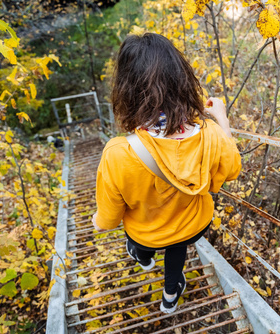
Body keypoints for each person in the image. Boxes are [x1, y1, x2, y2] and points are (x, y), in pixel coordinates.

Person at [91, 33, 241, 314]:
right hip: (193, 226)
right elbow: (231, 169)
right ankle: (170, 296)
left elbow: (108, 220)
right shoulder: (210, 134)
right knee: (177, 245)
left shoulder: (117, 153)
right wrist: (222, 119)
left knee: (141, 240)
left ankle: (143, 258)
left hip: (147, 234)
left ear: (126, 89)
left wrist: (97, 222)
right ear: (181, 78)